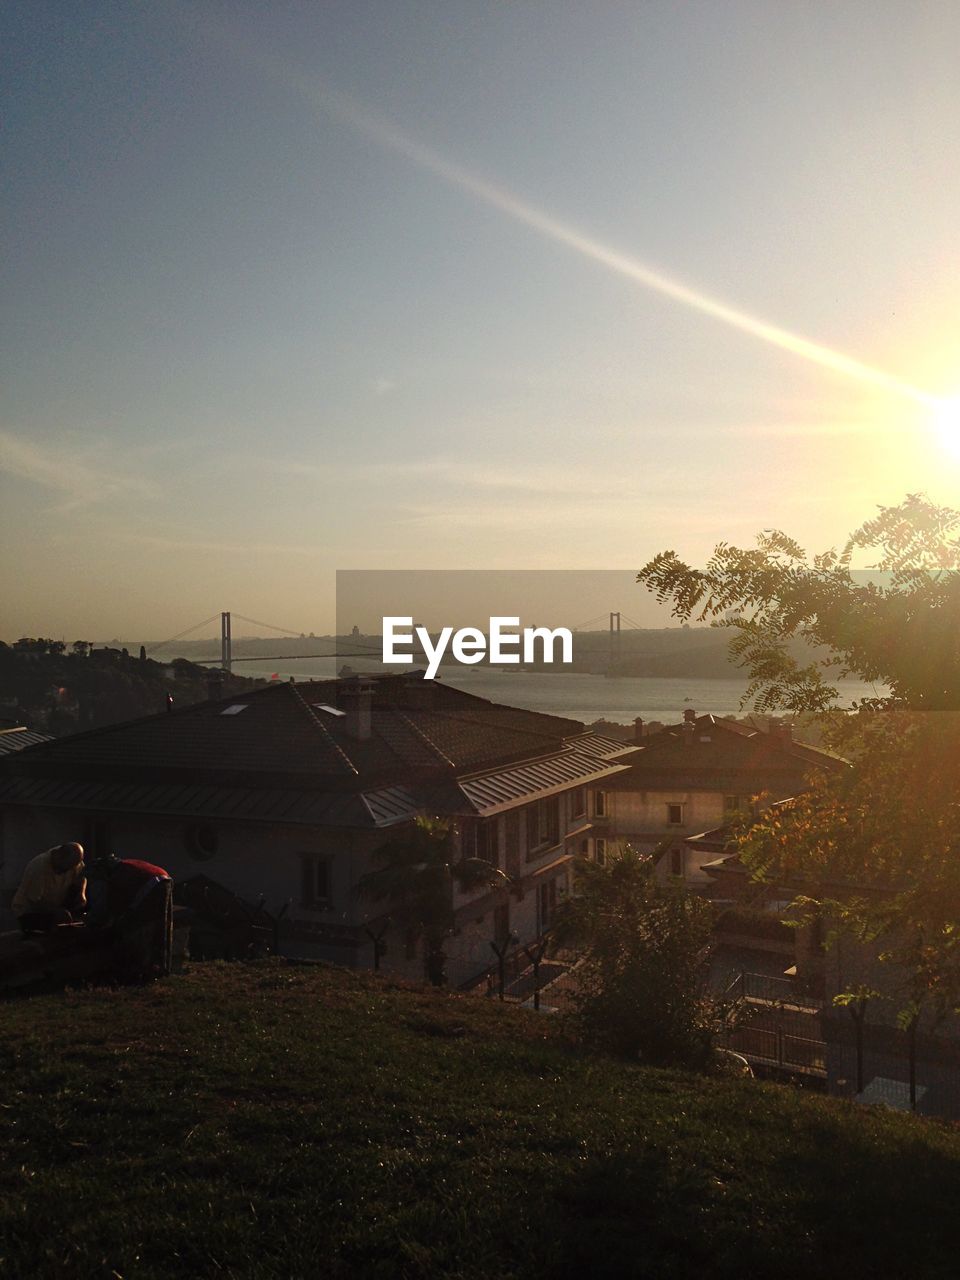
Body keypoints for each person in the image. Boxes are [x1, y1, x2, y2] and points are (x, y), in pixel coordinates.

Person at [85, 854, 173, 979]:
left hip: (150, 885)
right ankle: (158, 965)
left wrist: (94, 920)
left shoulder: (117, 876)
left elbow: (109, 907)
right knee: (160, 928)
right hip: (164, 880)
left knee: (137, 927)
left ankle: (138, 969)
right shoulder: (125, 866)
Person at [12, 843, 87, 935]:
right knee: (54, 932)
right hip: (30, 911)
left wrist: (81, 893)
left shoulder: (73, 860)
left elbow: (82, 876)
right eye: (65, 868)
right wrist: (58, 911)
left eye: (71, 868)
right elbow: (34, 902)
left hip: (55, 906)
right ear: (58, 856)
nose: (67, 871)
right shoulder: (38, 867)